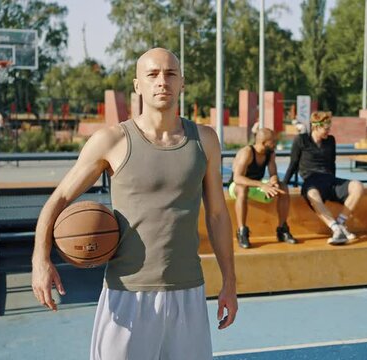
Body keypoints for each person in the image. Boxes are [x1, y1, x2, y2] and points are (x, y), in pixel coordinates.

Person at [31, 48, 237, 360]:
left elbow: (218, 215)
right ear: (137, 85)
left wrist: (230, 283)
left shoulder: (205, 140)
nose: (162, 81)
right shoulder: (112, 140)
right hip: (127, 293)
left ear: (182, 82)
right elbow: (58, 199)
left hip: (188, 290)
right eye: (152, 74)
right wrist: (40, 260)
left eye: (170, 74)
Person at [282, 111, 364, 245]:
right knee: (312, 194)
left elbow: (332, 164)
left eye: (329, 128)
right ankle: (336, 229)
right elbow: (293, 164)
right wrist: (283, 184)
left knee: (358, 186)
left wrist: (336, 189)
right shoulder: (301, 140)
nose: (328, 131)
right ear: (315, 126)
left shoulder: (330, 140)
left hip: (330, 180)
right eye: (326, 128)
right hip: (311, 181)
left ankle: (341, 223)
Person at [228, 128, 297, 248]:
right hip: (237, 186)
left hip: (257, 185)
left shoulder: (270, 153)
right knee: (243, 189)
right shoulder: (247, 152)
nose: (275, 144)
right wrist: (262, 185)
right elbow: (237, 178)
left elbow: (273, 174)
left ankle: (282, 229)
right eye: (273, 141)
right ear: (263, 143)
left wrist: (273, 182)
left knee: (283, 187)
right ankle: (242, 231)